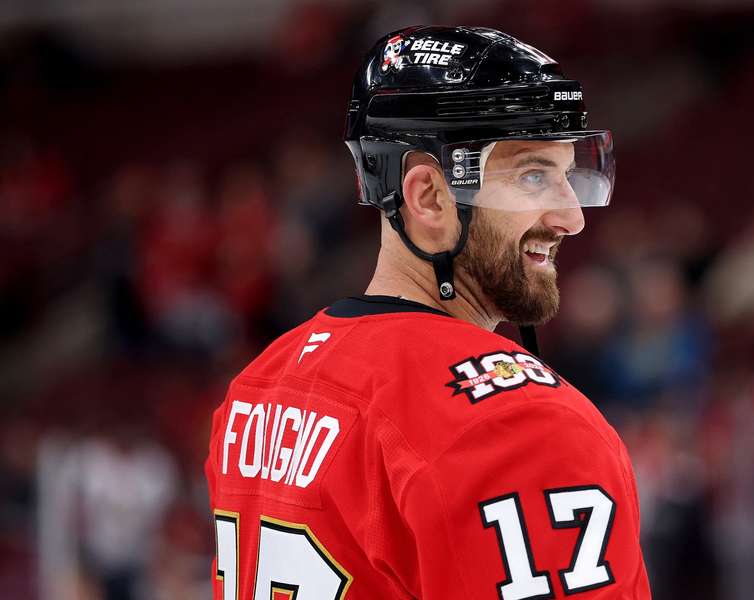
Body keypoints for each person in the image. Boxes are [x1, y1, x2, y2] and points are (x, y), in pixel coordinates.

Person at [206, 25, 651, 599]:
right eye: (533, 175)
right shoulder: (518, 425)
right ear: (429, 197)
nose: (572, 216)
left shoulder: (258, 388)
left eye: (568, 175)